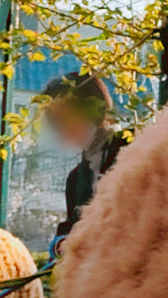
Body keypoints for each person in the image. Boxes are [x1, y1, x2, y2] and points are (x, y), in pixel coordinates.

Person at [42, 71, 129, 240]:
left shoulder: (132, 151)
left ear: (94, 106)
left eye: (70, 114)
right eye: (58, 119)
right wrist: (61, 243)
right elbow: (71, 226)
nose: (65, 126)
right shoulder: (75, 179)